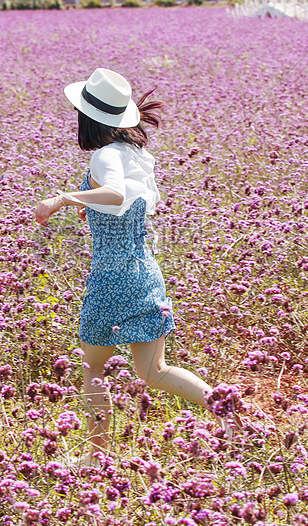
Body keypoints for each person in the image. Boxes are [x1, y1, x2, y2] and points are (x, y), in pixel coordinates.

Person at [35, 68, 234, 464]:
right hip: (144, 270)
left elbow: (114, 193)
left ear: (88, 118)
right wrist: (89, 203)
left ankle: (96, 457)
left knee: (94, 367)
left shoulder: (107, 155)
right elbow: (126, 202)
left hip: (112, 274)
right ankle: (227, 410)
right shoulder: (137, 154)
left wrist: (63, 198)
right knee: (154, 370)